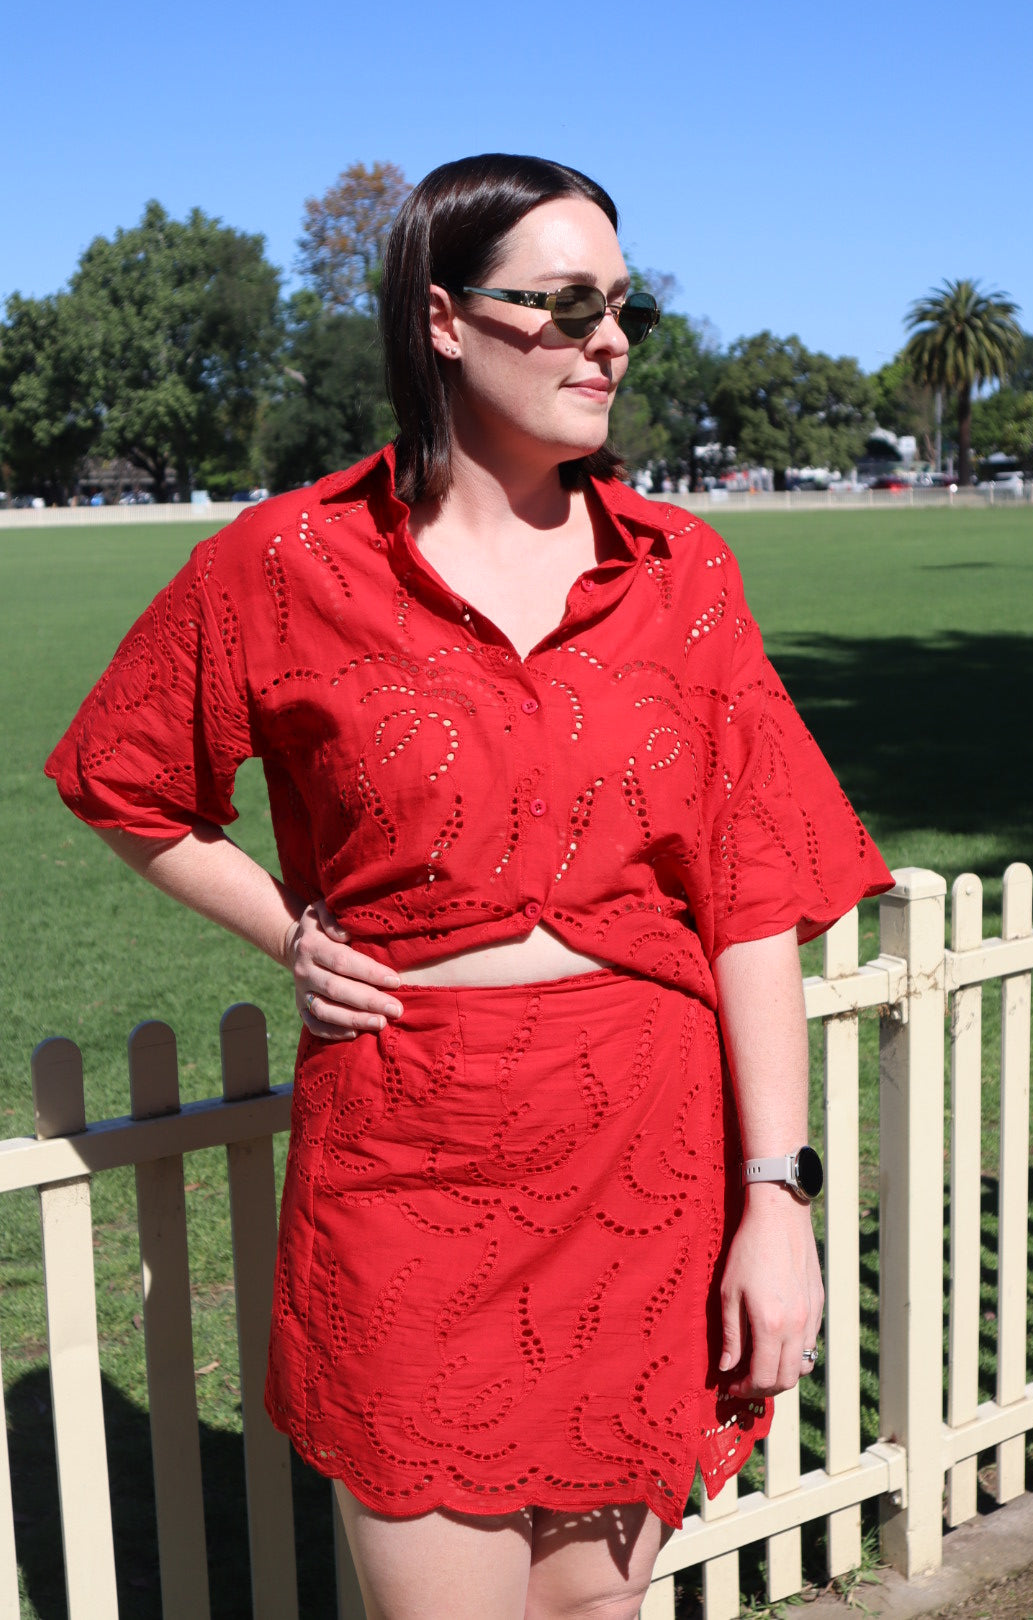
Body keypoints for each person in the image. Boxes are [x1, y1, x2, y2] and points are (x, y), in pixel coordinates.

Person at [46, 154, 893, 1620]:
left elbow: (751, 899)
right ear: (444, 320)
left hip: (649, 1160)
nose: (608, 340)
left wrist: (779, 1201)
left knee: (595, 1609)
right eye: (564, 307)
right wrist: (286, 931)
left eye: (622, 307)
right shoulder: (288, 563)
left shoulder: (681, 573)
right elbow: (124, 782)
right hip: (408, 1164)